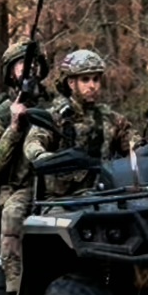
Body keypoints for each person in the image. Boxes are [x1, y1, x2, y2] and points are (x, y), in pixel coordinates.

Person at [0, 38, 52, 295]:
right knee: (12, 213)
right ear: (11, 72)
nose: (29, 70)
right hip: (19, 187)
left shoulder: (56, 105)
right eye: (22, 64)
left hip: (56, 183)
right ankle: (15, 288)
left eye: (33, 64)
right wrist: (14, 128)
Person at [23, 48, 136, 197]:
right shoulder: (55, 117)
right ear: (71, 83)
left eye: (96, 79)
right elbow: (33, 143)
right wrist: (43, 157)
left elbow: (134, 145)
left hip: (105, 195)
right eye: (85, 79)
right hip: (62, 200)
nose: (92, 86)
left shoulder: (111, 119)